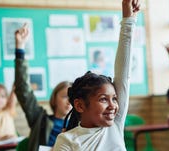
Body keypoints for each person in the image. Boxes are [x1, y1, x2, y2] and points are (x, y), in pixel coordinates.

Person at [52, 0, 140, 150]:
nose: (113, 105)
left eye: (114, 99)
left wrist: (128, 20)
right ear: (80, 105)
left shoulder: (114, 125)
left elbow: (124, 73)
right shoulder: (67, 140)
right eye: (103, 99)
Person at [14, 24, 72, 150]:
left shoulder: (79, 125)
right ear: (54, 99)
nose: (69, 102)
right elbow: (23, 89)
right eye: (65, 96)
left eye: (72, 98)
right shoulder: (40, 120)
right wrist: (20, 48)